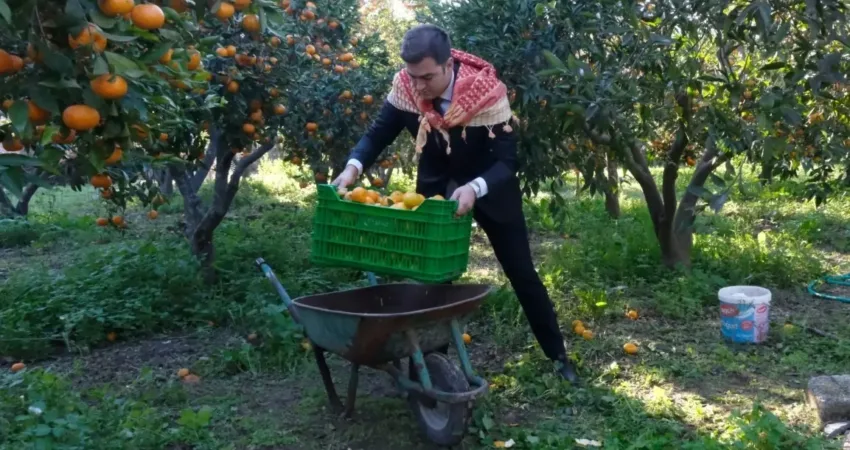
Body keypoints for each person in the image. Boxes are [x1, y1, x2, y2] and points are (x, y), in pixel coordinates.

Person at [331, 24, 578, 383]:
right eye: (413, 76)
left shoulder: (487, 93)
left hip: (489, 189)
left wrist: (474, 188)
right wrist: (352, 168)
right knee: (434, 280)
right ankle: (434, 366)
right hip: (435, 192)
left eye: (427, 77)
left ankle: (559, 359)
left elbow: (507, 162)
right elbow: (376, 134)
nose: (419, 86)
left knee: (522, 273)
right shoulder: (406, 89)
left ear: (449, 65)